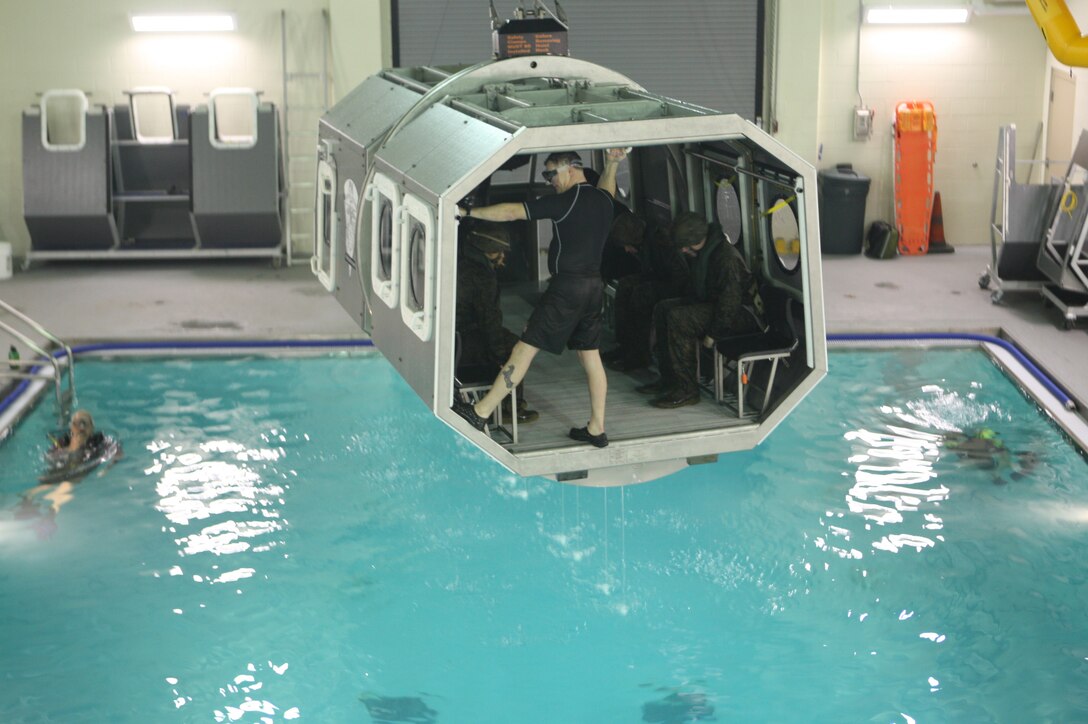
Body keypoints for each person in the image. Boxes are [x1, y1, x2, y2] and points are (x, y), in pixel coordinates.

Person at [451, 148, 626, 448]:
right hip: (593, 287)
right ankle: (597, 428)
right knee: (591, 356)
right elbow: (607, 191)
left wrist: (466, 212)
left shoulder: (566, 201)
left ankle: (479, 412)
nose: (548, 181)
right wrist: (611, 165)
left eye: (550, 174)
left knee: (524, 349)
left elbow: (512, 212)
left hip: (566, 289)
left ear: (570, 168)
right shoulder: (601, 200)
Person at [638, 211, 765, 409]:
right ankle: (670, 378)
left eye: (684, 247)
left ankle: (687, 389)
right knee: (663, 309)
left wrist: (713, 333)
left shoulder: (725, 259)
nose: (683, 252)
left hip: (743, 314)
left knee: (679, 318)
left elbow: (730, 301)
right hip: (720, 306)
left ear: (693, 243)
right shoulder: (705, 253)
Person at [455, 221, 538, 424]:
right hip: (465, 341)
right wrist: (500, 354)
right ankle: (509, 407)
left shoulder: (460, 262)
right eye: (499, 251)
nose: (503, 257)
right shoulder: (483, 277)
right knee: (516, 349)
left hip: (453, 337)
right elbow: (490, 320)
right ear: (488, 251)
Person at [600, 210, 689, 373]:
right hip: (660, 277)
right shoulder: (646, 238)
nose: (627, 250)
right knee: (626, 285)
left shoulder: (662, 240)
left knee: (642, 295)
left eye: (627, 245)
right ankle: (625, 345)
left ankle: (640, 355)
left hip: (678, 285)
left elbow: (679, 275)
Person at [17, 409, 122, 537]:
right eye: (77, 424)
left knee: (65, 487)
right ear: (71, 427)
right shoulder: (64, 441)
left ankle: (51, 512)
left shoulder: (100, 440)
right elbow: (49, 457)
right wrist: (72, 448)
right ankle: (28, 505)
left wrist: (107, 469)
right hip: (61, 468)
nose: (81, 428)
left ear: (92, 428)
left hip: (78, 471)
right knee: (37, 489)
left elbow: (117, 453)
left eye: (84, 424)